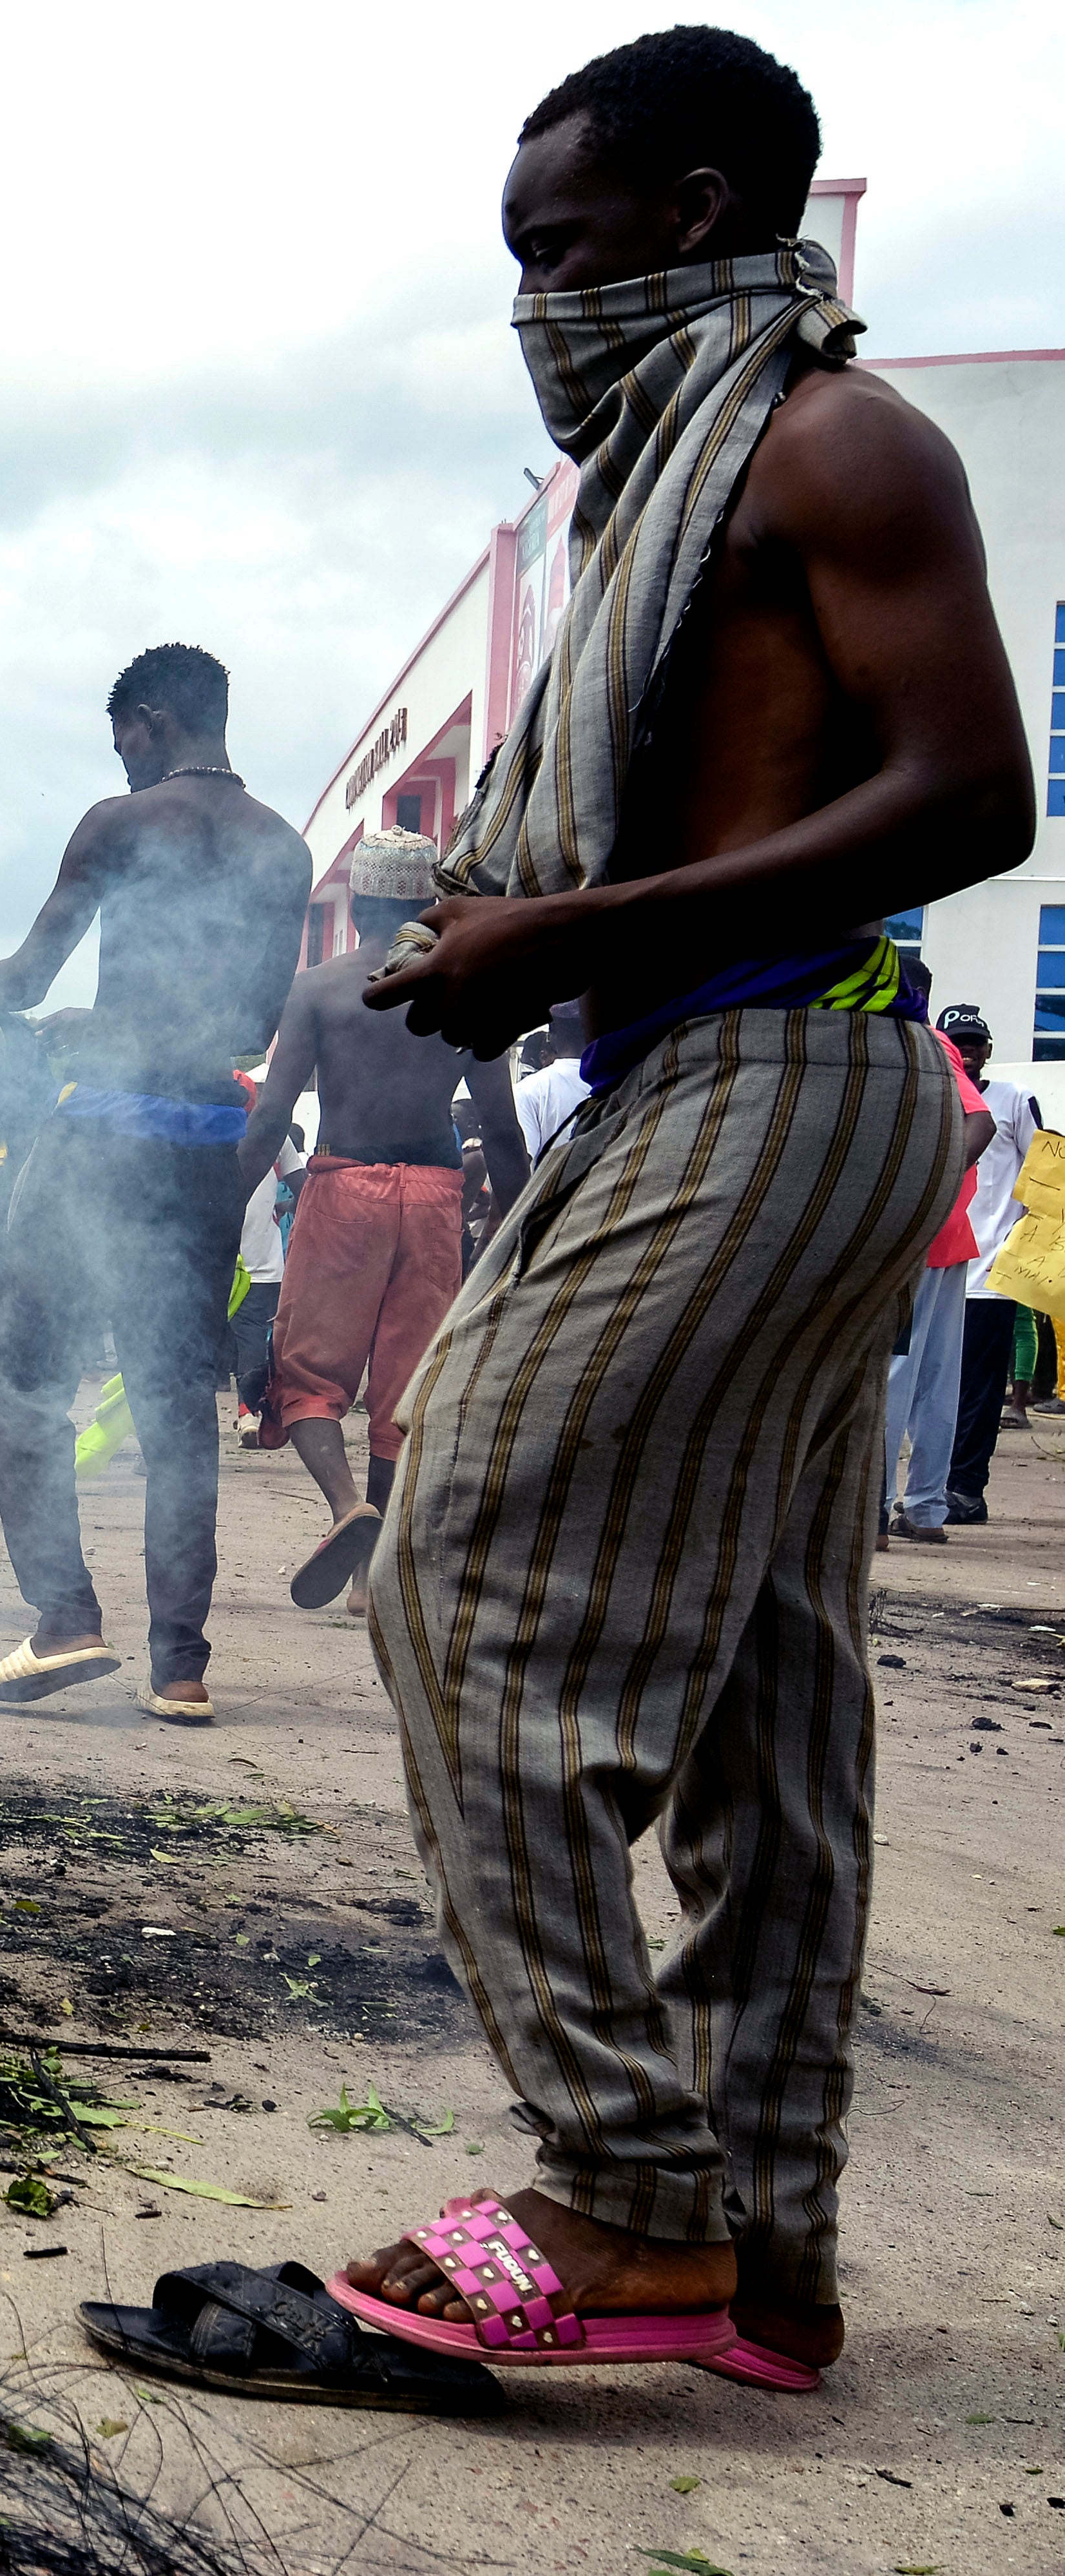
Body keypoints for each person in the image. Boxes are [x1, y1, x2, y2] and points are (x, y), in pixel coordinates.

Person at [324, 27, 1032, 2392]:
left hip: (775, 1063)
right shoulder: (663, 483)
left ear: (708, 207)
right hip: (707, 1059)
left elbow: (974, 794)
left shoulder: (832, 441)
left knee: (459, 1565)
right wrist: (499, 919)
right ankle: (774, 2242)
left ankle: (625, 2186)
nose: (534, 303)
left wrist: (570, 935)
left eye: (562, 247)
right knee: (763, 1693)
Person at [0, 644, 305, 1720]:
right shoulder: (282, 846)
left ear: (146, 720)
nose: (124, 764)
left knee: (32, 1382)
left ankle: (62, 1620)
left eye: (123, 744)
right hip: (203, 1141)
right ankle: (179, 1669)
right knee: (176, 1408)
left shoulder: (117, 822)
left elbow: (29, 975)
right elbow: (249, 1024)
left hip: (100, 1134)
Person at [238, 829, 529, 1614]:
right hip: (436, 1197)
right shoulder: (464, 989)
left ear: (360, 903)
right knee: (405, 1391)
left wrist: (219, 1209)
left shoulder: (323, 986)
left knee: (306, 1375)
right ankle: (369, 1582)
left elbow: (269, 1117)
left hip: (343, 1189)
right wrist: (520, 1228)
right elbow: (500, 1130)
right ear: (430, 908)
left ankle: (346, 1509)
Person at [882, 1004, 994, 1545]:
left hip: (914, 1238)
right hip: (945, 1238)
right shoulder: (923, 1043)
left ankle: (878, 1510)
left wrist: (929, 1190)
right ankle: (925, 1510)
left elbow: (982, 1120)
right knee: (936, 1381)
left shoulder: (918, 1042)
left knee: (893, 1377)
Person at [940, 1004, 1039, 1525]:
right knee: (931, 1387)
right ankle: (927, 1489)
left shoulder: (1014, 1100)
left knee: (978, 1390)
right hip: (934, 1266)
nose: (969, 1050)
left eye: (976, 1041)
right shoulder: (934, 1093)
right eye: (959, 1041)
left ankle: (965, 1488)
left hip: (989, 1273)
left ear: (990, 1049)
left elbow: (1044, 1175)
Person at [229, 1122, 305, 1448]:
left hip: (215, 1261)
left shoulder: (201, 1125)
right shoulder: (276, 1135)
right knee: (254, 1343)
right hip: (260, 1264)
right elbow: (305, 1189)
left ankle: (175, 1433)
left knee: (198, 1345)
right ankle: (252, 1415)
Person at [511, 1000, 593, 1163]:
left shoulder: (529, 1090)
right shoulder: (622, 1080)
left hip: (554, 1187)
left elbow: (522, 1162)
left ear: (550, 1035)